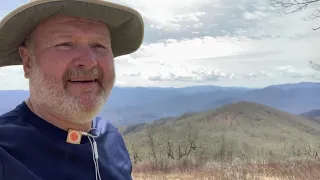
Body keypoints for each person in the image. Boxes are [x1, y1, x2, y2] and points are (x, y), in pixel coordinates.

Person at [0, 0, 144, 180]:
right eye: (65, 43)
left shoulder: (111, 137)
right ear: (28, 62)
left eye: (99, 45)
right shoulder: (6, 152)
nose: (90, 61)